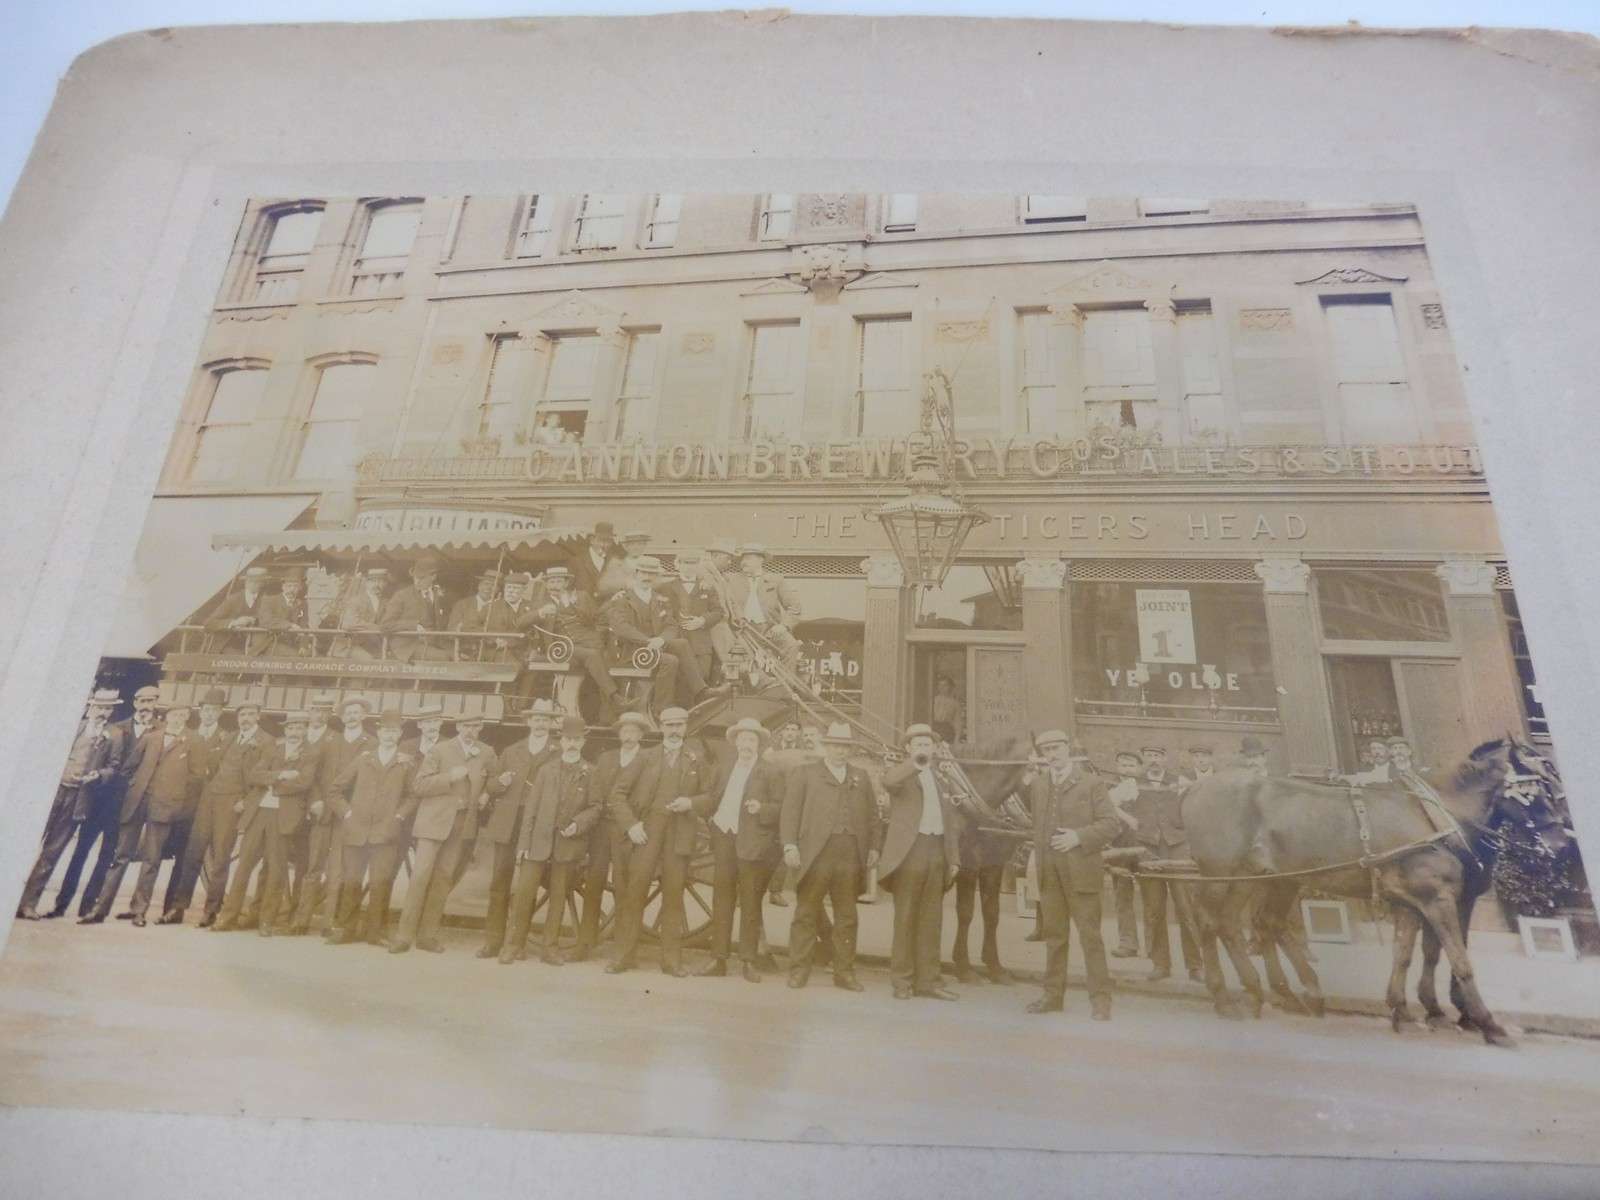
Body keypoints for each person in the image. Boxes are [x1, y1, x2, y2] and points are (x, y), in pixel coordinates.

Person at [606, 707, 710, 977]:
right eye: (669, 725)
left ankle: (671, 961)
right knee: (633, 895)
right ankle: (622, 957)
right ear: (661, 727)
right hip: (647, 833)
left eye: (679, 725)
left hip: (679, 835)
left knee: (674, 897)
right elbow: (617, 795)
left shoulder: (696, 760)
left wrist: (692, 802)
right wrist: (631, 826)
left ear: (686, 727)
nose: (674, 730)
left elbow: (711, 796)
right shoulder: (644, 757)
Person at [1024, 730, 1120, 1020]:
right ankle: (1053, 996)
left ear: (1068, 749)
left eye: (1056, 748)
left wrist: (1078, 837)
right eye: (1047, 750)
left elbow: (1112, 824)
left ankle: (1101, 1001)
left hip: (1081, 872)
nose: (1052, 754)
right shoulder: (1039, 785)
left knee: (1090, 937)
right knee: (1054, 937)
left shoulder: (1091, 783)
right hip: (1049, 873)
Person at [780, 722, 882, 992]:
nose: (841, 751)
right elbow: (789, 813)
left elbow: (874, 817)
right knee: (806, 912)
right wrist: (790, 846)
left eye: (846, 746)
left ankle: (844, 972)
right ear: (826, 746)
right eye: (836, 745)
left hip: (850, 854)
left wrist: (874, 848)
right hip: (816, 853)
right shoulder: (806, 773)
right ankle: (800, 970)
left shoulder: (861, 776)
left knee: (847, 915)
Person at [82, 703, 201, 925]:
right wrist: (134, 790)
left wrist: (176, 801)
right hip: (137, 803)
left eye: (182, 716)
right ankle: (100, 909)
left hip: (164, 807)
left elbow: (195, 779)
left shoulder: (193, 741)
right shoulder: (151, 737)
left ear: (186, 718)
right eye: (174, 715)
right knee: (121, 856)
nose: (177, 719)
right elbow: (129, 768)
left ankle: (139, 911)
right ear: (166, 717)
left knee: (151, 860)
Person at [391, 714, 497, 954]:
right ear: (458, 727)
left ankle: (427, 936)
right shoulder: (440, 750)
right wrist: (449, 777)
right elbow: (419, 785)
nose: (471, 730)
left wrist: (486, 794)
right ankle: (404, 936)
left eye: (476, 726)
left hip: (462, 823)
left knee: (442, 879)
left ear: (481, 728)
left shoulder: (487, 751)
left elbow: (493, 777)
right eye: (467, 725)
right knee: (420, 878)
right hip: (434, 822)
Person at [16, 689, 125, 920]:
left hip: (78, 799)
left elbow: (115, 767)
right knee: (23, 844)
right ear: (90, 706)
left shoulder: (114, 735)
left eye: (107, 708)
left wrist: (98, 774)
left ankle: (27, 903)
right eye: (99, 707)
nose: (102, 713)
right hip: (53, 793)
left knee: (52, 852)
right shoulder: (74, 728)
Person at [501, 715, 602, 965]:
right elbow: (531, 811)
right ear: (561, 740)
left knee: (558, 897)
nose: (572, 744)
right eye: (568, 739)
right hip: (538, 843)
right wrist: (523, 845)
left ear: (583, 742)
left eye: (577, 740)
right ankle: (512, 946)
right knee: (524, 895)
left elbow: (595, 807)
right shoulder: (547, 770)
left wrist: (578, 824)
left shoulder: (592, 772)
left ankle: (549, 949)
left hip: (567, 846)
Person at [694, 717, 784, 982]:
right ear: (735, 742)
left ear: (758, 744)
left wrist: (763, 809)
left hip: (752, 842)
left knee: (749, 902)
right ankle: (718, 959)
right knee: (721, 899)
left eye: (752, 740)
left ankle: (748, 961)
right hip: (724, 836)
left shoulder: (770, 771)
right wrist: (709, 819)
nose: (746, 744)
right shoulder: (723, 768)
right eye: (743, 739)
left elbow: (782, 807)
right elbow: (711, 796)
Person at [878, 724, 962, 1000]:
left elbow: (949, 821)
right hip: (910, 852)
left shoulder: (941, 776)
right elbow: (888, 782)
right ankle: (902, 982)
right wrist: (914, 764)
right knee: (905, 919)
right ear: (908, 748)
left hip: (936, 849)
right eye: (919, 745)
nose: (925, 749)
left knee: (931, 920)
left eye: (928, 745)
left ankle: (929, 982)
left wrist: (954, 858)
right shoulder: (902, 773)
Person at [213, 711, 315, 936]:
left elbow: (304, 782)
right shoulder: (274, 749)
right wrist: (282, 774)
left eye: (299, 728)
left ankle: (267, 921)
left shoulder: (311, 753)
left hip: (284, 818)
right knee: (243, 867)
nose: (295, 733)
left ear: (306, 729)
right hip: (259, 813)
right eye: (291, 728)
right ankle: (227, 917)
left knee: (276, 870)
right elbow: (254, 775)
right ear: (285, 730)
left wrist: (272, 783)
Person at [325, 709, 417, 945]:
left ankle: (376, 933)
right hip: (356, 831)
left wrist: (399, 815)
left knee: (381, 883)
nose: (389, 735)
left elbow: (414, 795)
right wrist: (347, 813)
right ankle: (346, 930)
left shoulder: (405, 763)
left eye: (394, 731)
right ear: (379, 731)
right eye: (385, 730)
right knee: (351, 881)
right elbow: (335, 789)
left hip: (386, 833)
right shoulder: (363, 759)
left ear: (399, 734)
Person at [476, 700, 559, 959]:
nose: (540, 723)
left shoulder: (557, 752)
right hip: (508, 823)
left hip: (535, 824)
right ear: (529, 721)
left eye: (545, 719)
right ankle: (493, 941)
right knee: (499, 883)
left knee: (527, 886)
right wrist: (499, 782)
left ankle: (517, 944)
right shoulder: (512, 750)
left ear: (550, 723)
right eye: (537, 718)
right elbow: (490, 787)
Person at [177, 697, 269, 927]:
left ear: (258, 716)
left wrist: (245, 802)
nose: (245, 719)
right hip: (210, 798)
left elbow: (262, 780)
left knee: (220, 859)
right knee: (192, 853)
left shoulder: (266, 742)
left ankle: (211, 910)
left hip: (232, 803)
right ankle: (178, 908)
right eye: (241, 715)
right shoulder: (230, 737)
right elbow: (214, 765)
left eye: (250, 714)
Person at [72, 686, 161, 919]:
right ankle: (66, 903)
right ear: (134, 703)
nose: (145, 705)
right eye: (141, 700)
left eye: (150, 701)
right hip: (105, 800)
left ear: (156, 704)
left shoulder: (162, 731)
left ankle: (91, 906)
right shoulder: (118, 728)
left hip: (133, 805)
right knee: (81, 851)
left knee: (108, 856)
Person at [291, 694, 375, 937]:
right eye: (348, 712)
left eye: (356, 712)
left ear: (363, 716)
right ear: (342, 716)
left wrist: (354, 809)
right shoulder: (330, 740)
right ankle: (302, 920)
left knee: (337, 871)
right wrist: (316, 800)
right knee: (313, 867)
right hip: (324, 812)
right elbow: (315, 776)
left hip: (348, 815)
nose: (352, 716)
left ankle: (329, 922)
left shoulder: (371, 743)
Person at [573, 710, 650, 960]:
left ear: (640, 735)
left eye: (633, 732)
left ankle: (622, 947)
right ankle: (585, 942)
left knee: (623, 887)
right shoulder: (606, 758)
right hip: (602, 829)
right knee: (593, 883)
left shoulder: (647, 760)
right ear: (619, 734)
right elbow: (595, 790)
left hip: (627, 830)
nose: (629, 736)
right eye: (625, 732)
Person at [605, 555, 721, 713]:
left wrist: (661, 639)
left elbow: (671, 626)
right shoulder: (622, 599)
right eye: (643, 573)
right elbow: (621, 628)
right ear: (636, 574)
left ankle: (701, 691)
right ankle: (661, 708)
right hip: (634, 652)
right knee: (671, 661)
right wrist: (648, 641)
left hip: (655, 649)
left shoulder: (660, 599)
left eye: (651, 574)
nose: (647, 577)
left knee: (681, 643)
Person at [1129, 744, 1200, 984]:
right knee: (1154, 910)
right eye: (1149, 756)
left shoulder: (1179, 781)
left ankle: (1195, 965)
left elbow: (1197, 802)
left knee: (1186, 909)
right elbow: (1109, 802)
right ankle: (1161, 964)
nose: (1153, 760)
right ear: (1144, 759)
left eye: (1158, 756)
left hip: (1177, 849)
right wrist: (1133, 823)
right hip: (1148, 851)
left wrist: (1186, 829)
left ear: (1165, 758)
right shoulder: (1131, 783)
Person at [536, 565, 622, 716]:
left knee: (610, 661)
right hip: (564, 648)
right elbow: (523, 621)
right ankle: (616, 698)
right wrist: (541, 612)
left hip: (590, 641)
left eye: (558, 582)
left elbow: (600, 618)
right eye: (551, 582)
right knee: (594, 656)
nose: (554, 586)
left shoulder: (581, 597)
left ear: (566, 583)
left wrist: (598, 636)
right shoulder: (541, 604)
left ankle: (608, 716)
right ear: (547, 584)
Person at [722, 543, 802, 672]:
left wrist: (783, 625)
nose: (744, 562)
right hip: (743, 632)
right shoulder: (731, 579)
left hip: (769, 630)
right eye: (742, 559)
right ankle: (756, 687)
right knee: (743, 661)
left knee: (791, 645)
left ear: (761, 560)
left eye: (749, 558)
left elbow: (794, 606)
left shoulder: (776, 580)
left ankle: (785, 689)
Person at [1106, 749, 1146, 960]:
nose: (1127, 770)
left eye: (1132, 766)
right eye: (1123, 765)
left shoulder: (1148, 788)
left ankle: (1155, 946)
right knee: (1122, 896)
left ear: (1139, 768)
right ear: (1117, 767)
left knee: (1152, 897)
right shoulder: (1108, 788)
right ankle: (1127, 943)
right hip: (1119, 848)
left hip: (1146, 848)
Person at [380, 556, 452, 662]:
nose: (417, 581)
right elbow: (385, 625)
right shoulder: (401, 596)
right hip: (408, 646)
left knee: (460, 658)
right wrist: (413, 625)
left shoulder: (440, 595)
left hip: (434, 643)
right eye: (415, 577)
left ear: (433, 577)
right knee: (443, 658)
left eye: (421, 578)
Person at [204, 566, 273, 654]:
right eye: (251, 581)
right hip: (226, 643)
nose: (254, 584)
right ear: (245, 582)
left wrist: (252, 619)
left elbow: (268, 619)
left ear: (262, 584)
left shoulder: (265, 600)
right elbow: (209, 622)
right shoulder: (232, 599)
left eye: (258, 582)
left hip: (252, 645)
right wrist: (234, 622)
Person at [259, 565, 316, 656]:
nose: (291, 590)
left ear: (301, 587)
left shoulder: (302, 604)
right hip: (269, 643)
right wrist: (290, 625)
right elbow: (266, 621)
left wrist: (303, 646)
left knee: (308, 658)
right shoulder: (269, 601)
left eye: (295, 586)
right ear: (283, 586)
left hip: (291, 644)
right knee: (294, 657)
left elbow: (303, 626)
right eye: (289, 586)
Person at [335, 568, 389, 659]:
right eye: (373, 581)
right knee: (368, 659)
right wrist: (376, 628)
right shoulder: (355, 601)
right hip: (348, 645)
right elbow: (349, 624)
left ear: (385, 584)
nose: (376, 585)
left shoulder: (386, 603)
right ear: (367, 583)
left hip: (371, 646)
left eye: (380, 581)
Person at [568, 521, 620, 599]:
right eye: (600, 540)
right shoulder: (576, 561)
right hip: (582, 608)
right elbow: (567, 589)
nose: (603, 545)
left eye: (608, 541)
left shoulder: (614, 562)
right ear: (592, 540)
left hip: (607, 608)